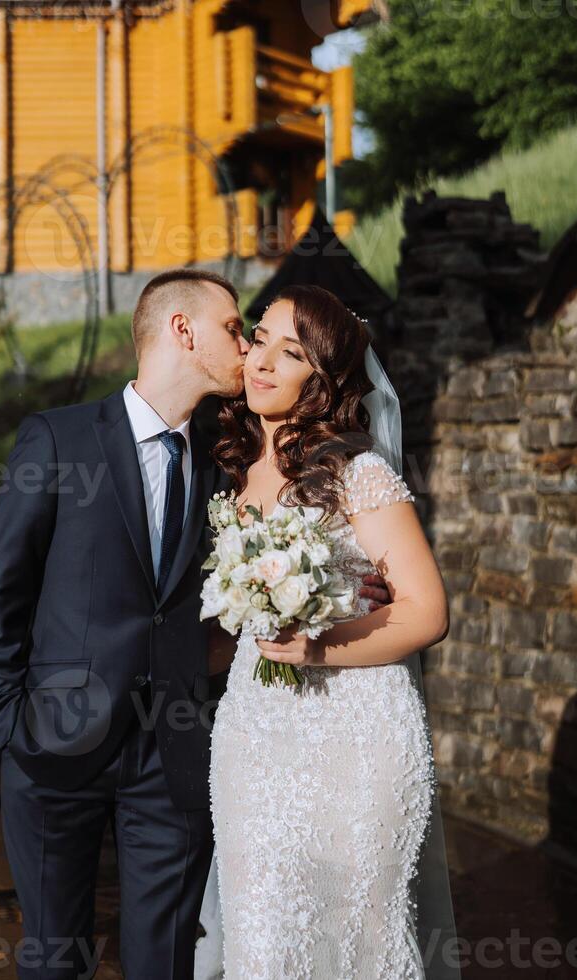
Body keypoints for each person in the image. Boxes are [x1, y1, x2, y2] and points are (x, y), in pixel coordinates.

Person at [0, 268, 390, 980]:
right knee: (53, 959)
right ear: (182, 331)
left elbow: (270, 563)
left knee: (165, 961)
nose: (248, 348)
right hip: (52, 750)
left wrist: (346, 586)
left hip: (173, 754)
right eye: (235, 330)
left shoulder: (228, 459)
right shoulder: (58, 440)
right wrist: (8, 728)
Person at [207, 283, 460, 979]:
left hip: (358, 737)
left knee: (358, 934)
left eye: (289, 354)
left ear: (321, 382)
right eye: (260, 339)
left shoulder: (356, 472)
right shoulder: (231, 467)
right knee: (262, 934)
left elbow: (426, 611)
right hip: (254, 732)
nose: (261, 362)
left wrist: (320, 645)